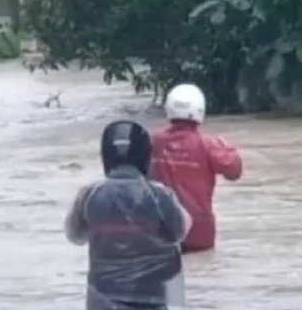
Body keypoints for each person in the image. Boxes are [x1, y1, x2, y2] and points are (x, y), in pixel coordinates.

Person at [65, 120, 192, 310]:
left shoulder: (89, 196)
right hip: (155, 300)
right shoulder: (160, 195)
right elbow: (181, 230)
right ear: (145, 156)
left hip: (102, 302)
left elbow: (74, 236)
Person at [150, 84, 243, 253]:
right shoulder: (208, 144)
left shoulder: (152, 142)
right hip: (200, 231)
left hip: (161, 229)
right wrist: (228, 148)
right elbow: (234, 171)